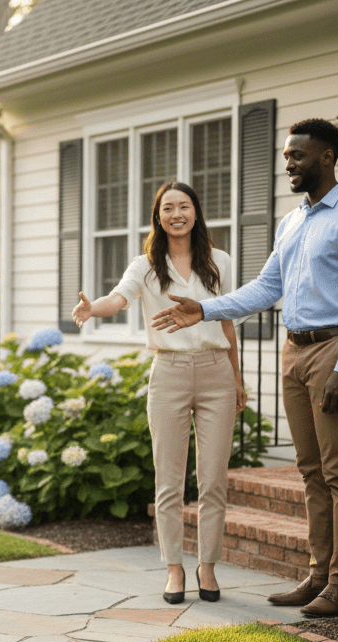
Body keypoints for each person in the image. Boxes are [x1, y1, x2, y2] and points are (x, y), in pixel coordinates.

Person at [151, 118, 338, 618]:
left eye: (297, 155)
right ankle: (319, 574)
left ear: (326, 156)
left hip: (334, 349)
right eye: (285, 155)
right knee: (309, 470)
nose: (288, 163)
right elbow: (265, 287)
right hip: (294, 351)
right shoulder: (293, 221)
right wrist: (205, 308)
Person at [72, 181, 246, 605]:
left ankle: (207, 566)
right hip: (168, 373)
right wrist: (93, 308)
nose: (176, 214)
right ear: (159, 216)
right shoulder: (146, 264)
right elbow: (120, 298)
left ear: (195, 212)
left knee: (213, 480)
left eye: (184, 206)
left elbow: (227, 322)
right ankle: (174, 569)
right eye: (168, 208)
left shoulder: (218, 261)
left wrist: (237, 379)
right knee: (168, 480)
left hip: (216, 373)